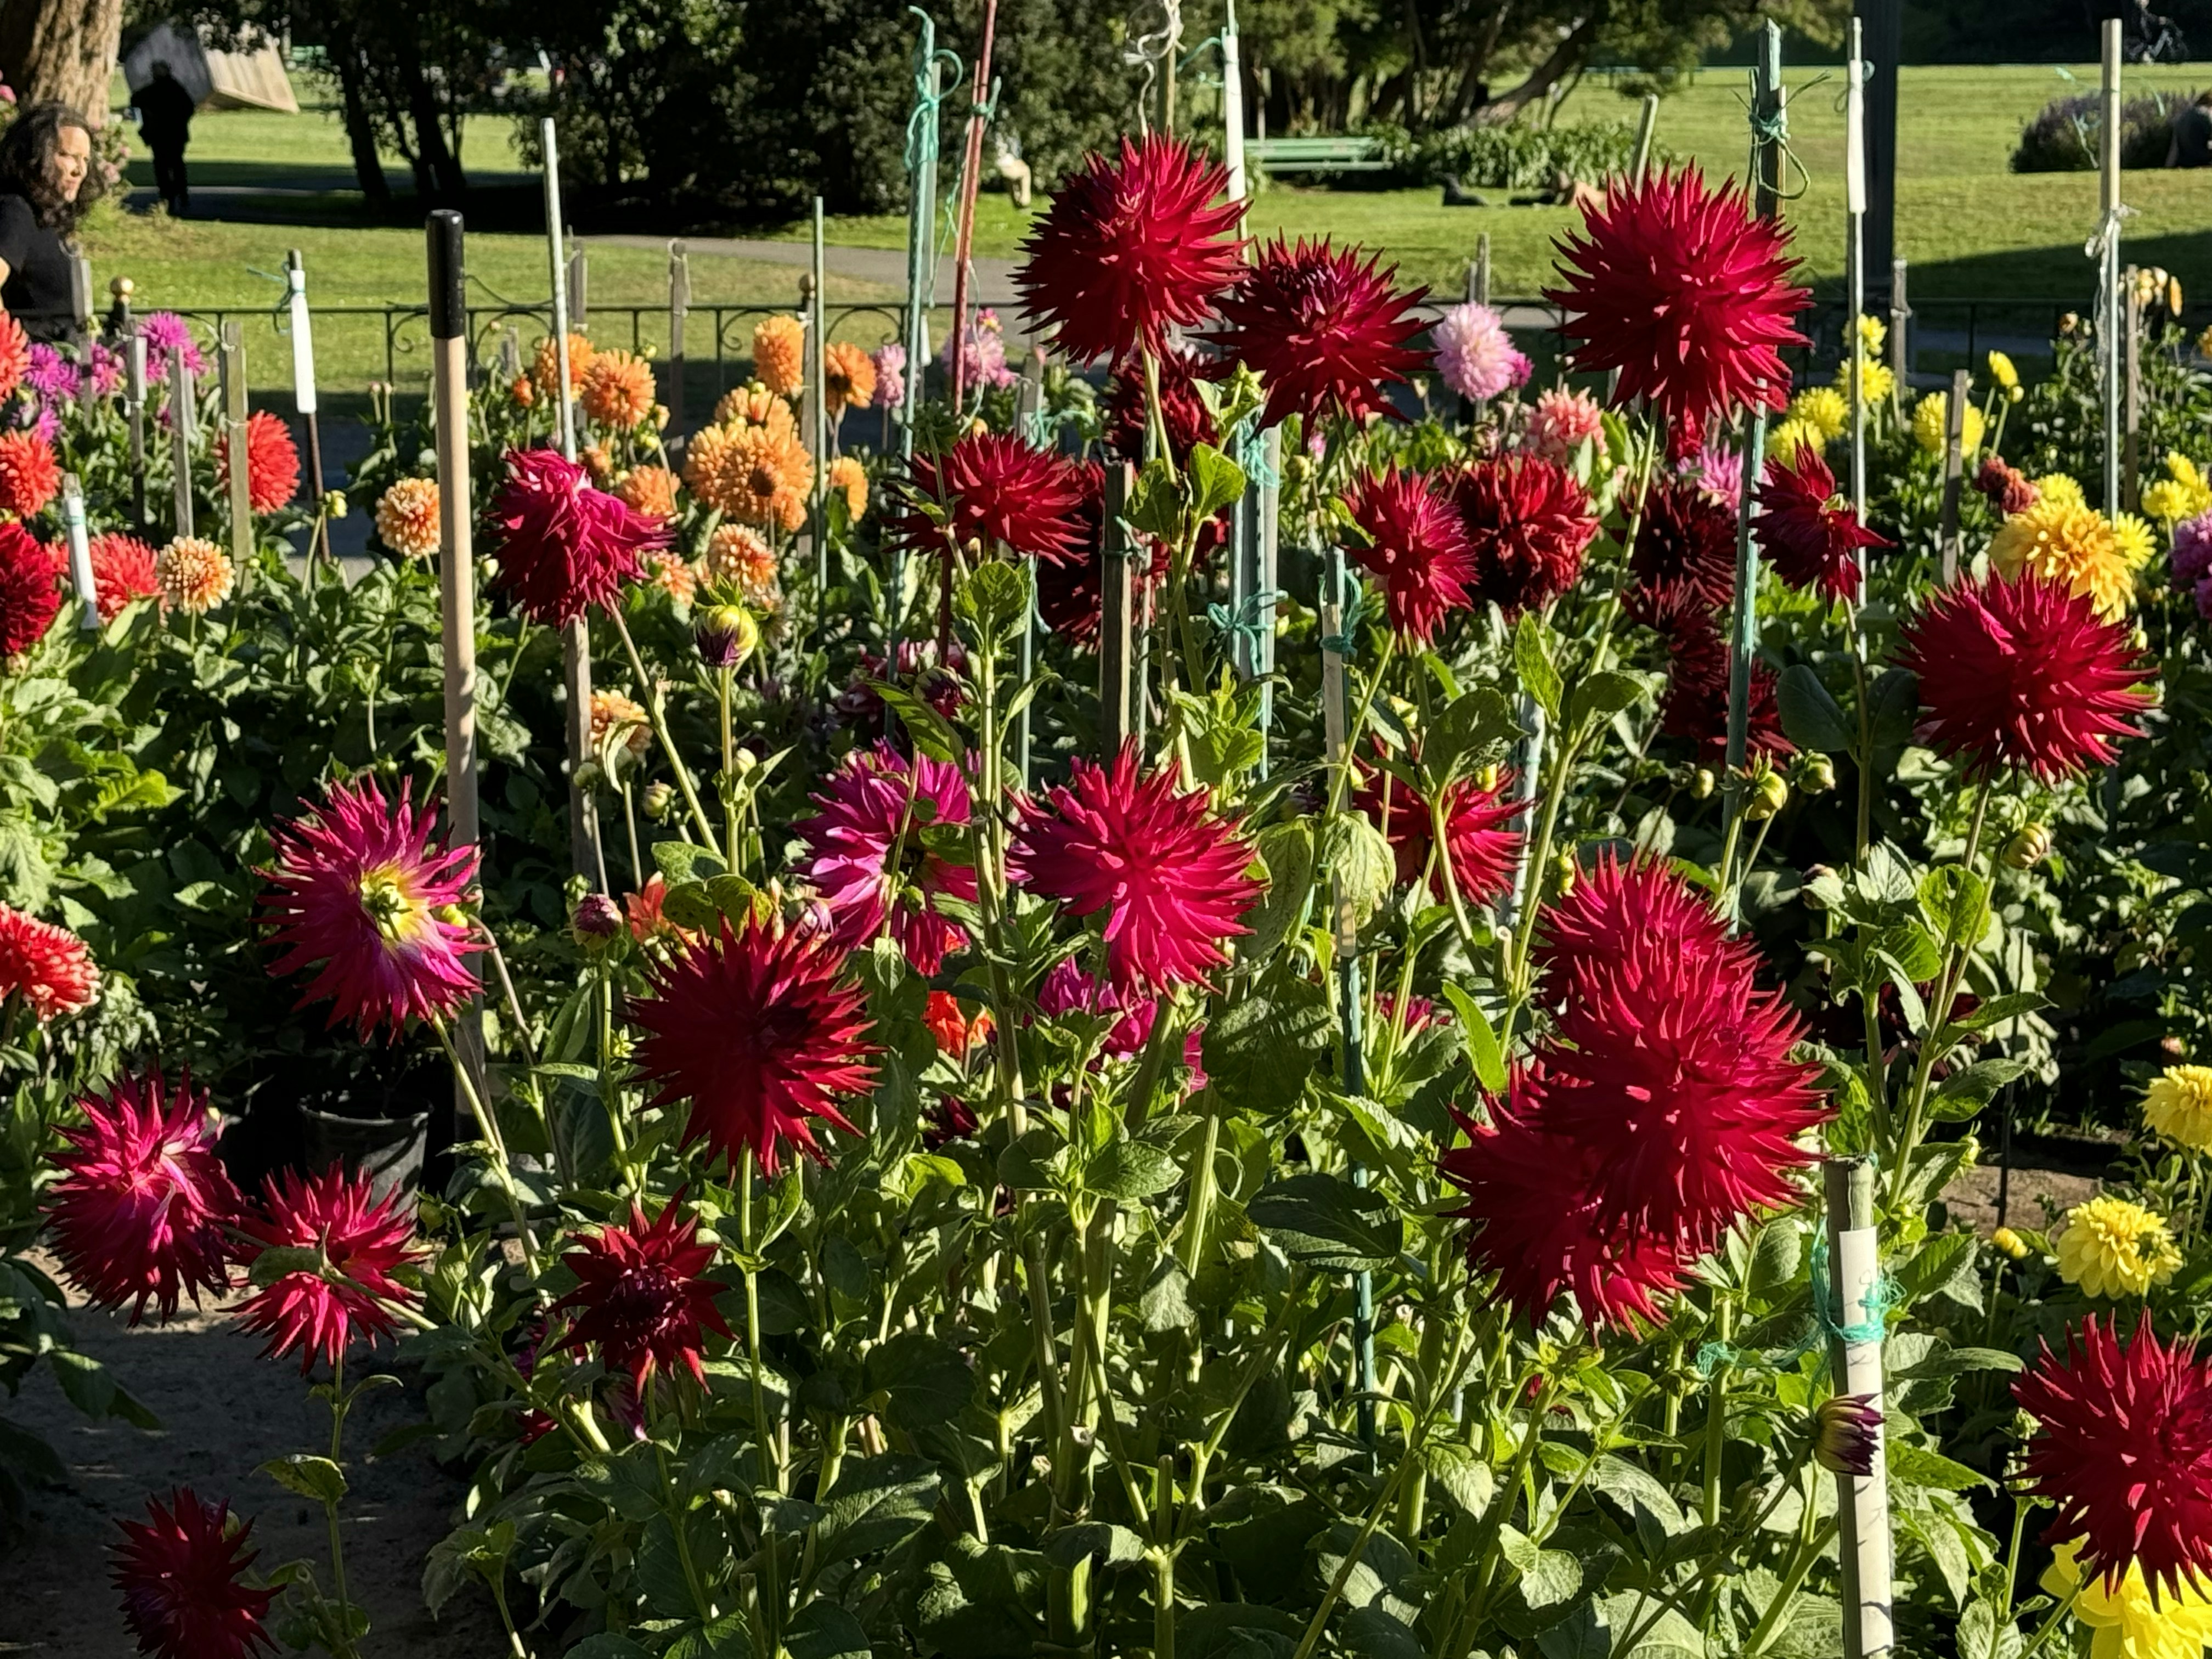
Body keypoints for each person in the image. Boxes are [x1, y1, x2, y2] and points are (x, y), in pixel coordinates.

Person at [0, 102, 98, 342]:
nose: (80, 170)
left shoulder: (45, 216)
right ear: (34, 155)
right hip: (34, 369)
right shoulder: (16, 212)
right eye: (67, 156)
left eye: (85, 159)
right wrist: (9, 351)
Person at [134, 60, 194, 214]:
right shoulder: (175, 89)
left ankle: (171, 195)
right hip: (170, 135)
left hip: (164, 135)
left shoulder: (162, 90)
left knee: (166, 166)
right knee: (174, 165)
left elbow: (136, 99)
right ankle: (177, 195)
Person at [2168, 88, 2212, 168]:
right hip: (2203, 162)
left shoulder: (2183, 116)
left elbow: (2174, 151)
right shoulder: (2207, 116)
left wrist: (2168, 169)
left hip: (2185, 163)